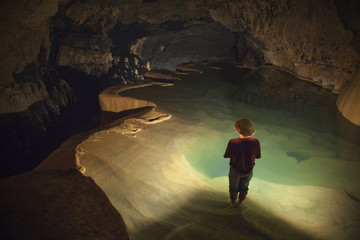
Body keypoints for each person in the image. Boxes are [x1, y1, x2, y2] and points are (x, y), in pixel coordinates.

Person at [224, 119, 261, 206]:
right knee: (244, 188)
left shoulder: (232, 142)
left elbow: (227, 155)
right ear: (250, 131)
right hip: (248, 170)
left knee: (233, 189)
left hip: (235, 170)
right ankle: (240, 203)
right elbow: (258, 156)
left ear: (238, 129)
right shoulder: (255, 142)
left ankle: (232, 203)